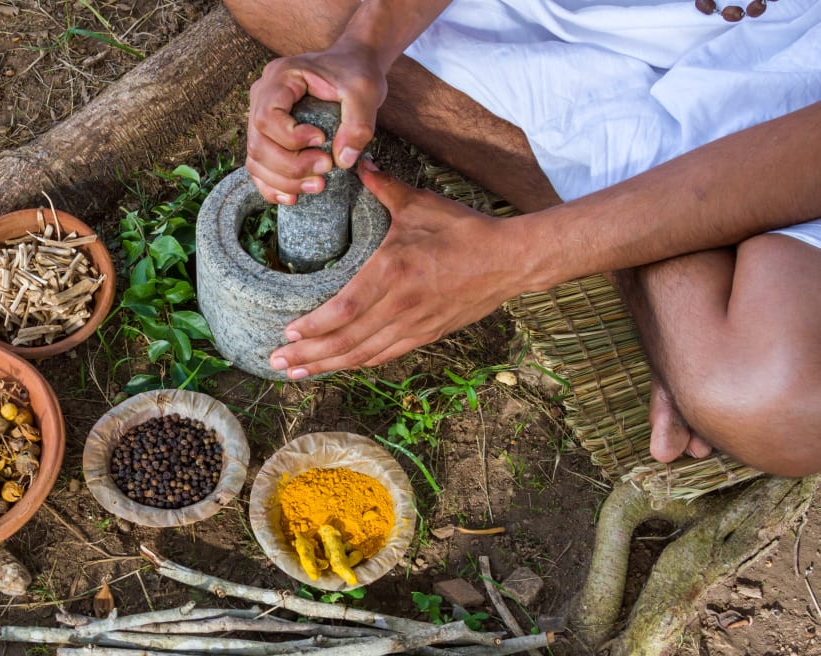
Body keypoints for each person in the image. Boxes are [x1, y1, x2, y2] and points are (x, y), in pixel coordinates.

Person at [221, 0, 821, 477]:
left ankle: (638, 245)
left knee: (775, 406)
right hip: (582, 36)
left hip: (793, 67)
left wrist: (514, 258)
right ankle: (642, 252)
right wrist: (364, 46)